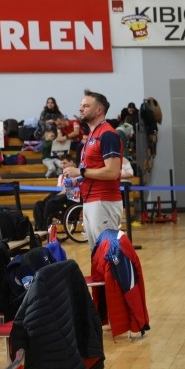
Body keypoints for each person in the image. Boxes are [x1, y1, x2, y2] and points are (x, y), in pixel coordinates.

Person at [61, 89, 123, 251]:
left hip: (104, 201)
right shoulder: (92, 135)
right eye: (81, 105)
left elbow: (112, 172)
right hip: (91, 201)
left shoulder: (107, 134)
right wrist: (77, 180)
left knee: (107, 255)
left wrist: (80, 172)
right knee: (97, 255)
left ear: (99, 110)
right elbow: (93, 170)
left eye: (86, 106)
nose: (80, 109)